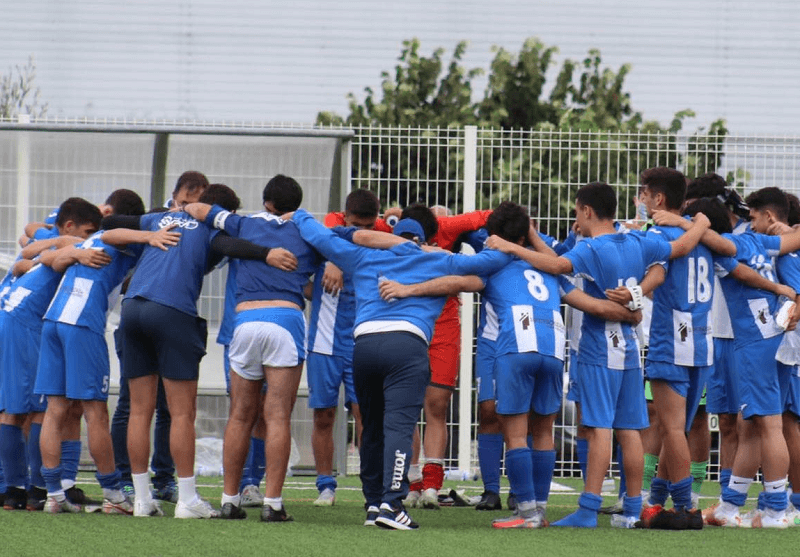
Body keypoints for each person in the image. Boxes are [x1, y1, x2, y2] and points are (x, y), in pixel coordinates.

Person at [383, 202, 644, 529]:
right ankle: (541, 508)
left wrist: (408, 288)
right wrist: (631, 314)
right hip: (553, 349)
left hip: (516, 348)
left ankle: (526, 512)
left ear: (493, 235)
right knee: (544, 431)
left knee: (516, 434)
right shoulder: (551, 268)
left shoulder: (493, 261)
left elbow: (454, 282)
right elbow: (591, 305)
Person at [487, 182, 711, 528]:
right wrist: (696, 226)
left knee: (599, 427)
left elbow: (558, 266)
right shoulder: (639, 239)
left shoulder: (591, 248)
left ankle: (589, 509)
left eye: (577, 210)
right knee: (630, 430)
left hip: (597, 347)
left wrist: (511, 247)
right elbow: (672, 255)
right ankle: (633, 509)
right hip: (631, 346)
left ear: (586, 211)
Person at [290, 209, 514, 530]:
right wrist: (508, 243)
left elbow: (320, 235)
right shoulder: (437, 259)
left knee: (372, 428)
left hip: (364, 347)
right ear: (423, 240)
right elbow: (492, 263)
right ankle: (392, 506)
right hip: (407, 347)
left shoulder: (362, 256)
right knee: (399, 427)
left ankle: (372, 505)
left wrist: (298, 215)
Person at [103, 183, 292, 519]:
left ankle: (142, 500)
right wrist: (267, 253)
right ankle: (188, 499)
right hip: (172, 312)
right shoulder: (210, 228)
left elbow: (109, 232)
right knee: (181, 413)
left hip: (132, 310)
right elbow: (233, 244)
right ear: (225, 213)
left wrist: (147, 237)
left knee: (139, 411)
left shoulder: (159, 219)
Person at [656, 197, 800, 528]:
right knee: (750, 424)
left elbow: (726, 249)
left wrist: (684, 224)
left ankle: (778, 510)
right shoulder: (757, 238)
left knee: (770, 425)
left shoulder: (729, 242)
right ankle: (729, 506)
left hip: (756, 339)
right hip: (774, 336)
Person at [35, 190, 182, 514]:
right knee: (95, 411)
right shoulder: (123, 238)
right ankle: (114, 495)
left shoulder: (90, 240)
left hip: (54, 320)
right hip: (82, 323)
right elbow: (115, 234)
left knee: (55, 410)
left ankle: (54, 496)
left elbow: (39, 249)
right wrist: (151, 236)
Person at [183, 174, 314, 523]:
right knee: (277, 416)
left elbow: (199, 209)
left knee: (240, 415)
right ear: (295, 206)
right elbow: (336, 252)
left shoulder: (242, 222)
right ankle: (272, 503)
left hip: (244, 323)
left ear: (266, 201)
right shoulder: (306, 230)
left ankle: (230, 500)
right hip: (286, 321)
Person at [0, 198, 103, 511]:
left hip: (10, 314)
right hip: (25, 322)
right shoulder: (74, 244)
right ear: (70, 226)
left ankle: (13, 489)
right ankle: (36, 490)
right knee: (39, 409)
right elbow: (51, 256)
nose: (91, 237)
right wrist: (76, 250)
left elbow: (26, 251)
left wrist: (50, 249)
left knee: (12, 409)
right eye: (88, 231)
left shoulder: (49, 240)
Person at [630, 168, 715, 525]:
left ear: (658, 199)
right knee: (675, 427)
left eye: (644, 194)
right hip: (702, 342)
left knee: (671, 428)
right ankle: (657, 500)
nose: (641, 200)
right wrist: (700, 224)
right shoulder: (709, 239)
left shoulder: (659, 235)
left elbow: (660, 266)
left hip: (670, 342)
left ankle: (686, 507)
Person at [400, 203, 492, 509]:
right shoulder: (393, 230)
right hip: (409, 322)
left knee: (437, 405)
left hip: (444, 326)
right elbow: (351, 230)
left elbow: (489, 216)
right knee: (407, 407)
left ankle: (431, 485)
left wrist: (523, 233)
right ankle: (412, 482)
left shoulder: (448, 227)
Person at [306, 189, 387, 506]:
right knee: (323, 416)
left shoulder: (383, 244)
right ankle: (326, 485)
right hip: (324, 343)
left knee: (365, 417)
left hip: (363, 344)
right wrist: (330, 262)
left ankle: (373, 488)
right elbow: (301, 278)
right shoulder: (323, 240)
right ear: (344, 217)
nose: (360, 232)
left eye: (367, 225)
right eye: (355, 224)